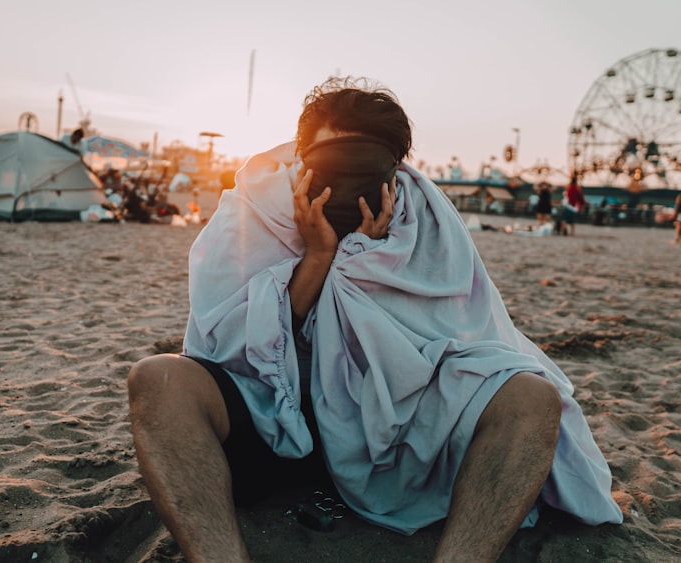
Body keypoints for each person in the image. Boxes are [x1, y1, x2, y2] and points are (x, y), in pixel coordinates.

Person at [126, 76, 623, 562]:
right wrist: (319, 256)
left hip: (391, 431)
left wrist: (367, 260)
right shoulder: (253, 212)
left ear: (394, 172)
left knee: (531, 397)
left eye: (363, 168)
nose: (344, 183)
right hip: (271, 422)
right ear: (299, 156)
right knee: (160, 378)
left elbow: (448, 339)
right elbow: (230, 347)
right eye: (328, 163)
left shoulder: (423, 222)